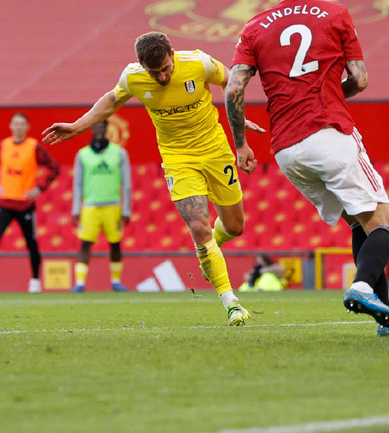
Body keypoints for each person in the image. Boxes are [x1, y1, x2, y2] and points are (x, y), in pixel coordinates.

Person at [225, 0, 389, 337]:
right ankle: (363, 287)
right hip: (328, 132)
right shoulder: (336, 14)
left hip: (286, 150)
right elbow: (361, 79)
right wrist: (327, 93)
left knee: (358, 223)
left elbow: (232, 90)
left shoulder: (254, 28)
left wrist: (242, 143)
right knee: (386, 227)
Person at [42, 32, 264, 325]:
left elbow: (230, 82)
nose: (161, 77)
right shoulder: (133, 77)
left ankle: (212, 246)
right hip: (177, 159)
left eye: (166, 69)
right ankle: (231, 302)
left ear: (172, 54)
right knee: (199, 226)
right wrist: (77, 126)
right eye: (154, 72)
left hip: (215, 151)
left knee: (235, 226)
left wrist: (239, 119)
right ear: (140, 65)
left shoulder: (198, 63)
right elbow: (111, 100)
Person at [0, 113, 60, 292]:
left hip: (25, 203)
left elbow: (54, 167)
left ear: (27, 127)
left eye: (22, 124)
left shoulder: (34, 147)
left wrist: (39, 188)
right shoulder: (4, 146)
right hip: (4, 203)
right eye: (15, 124)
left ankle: (35, 281)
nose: (18, 127)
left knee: (31, 242)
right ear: (11, 126)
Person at [71, 120, 132, 292]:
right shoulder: (82, 155)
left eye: (101, 127)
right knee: (85, 243)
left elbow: (126, 183)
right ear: (91, 129)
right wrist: (76, 209)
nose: (98, 130)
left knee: (115, 243)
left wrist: (126, 209)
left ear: (106, 129)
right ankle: (80, 283)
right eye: (95, 127)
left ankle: (116, 281)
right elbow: (78, 184)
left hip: (113, 205)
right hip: (90, 206)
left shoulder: (119, 153)